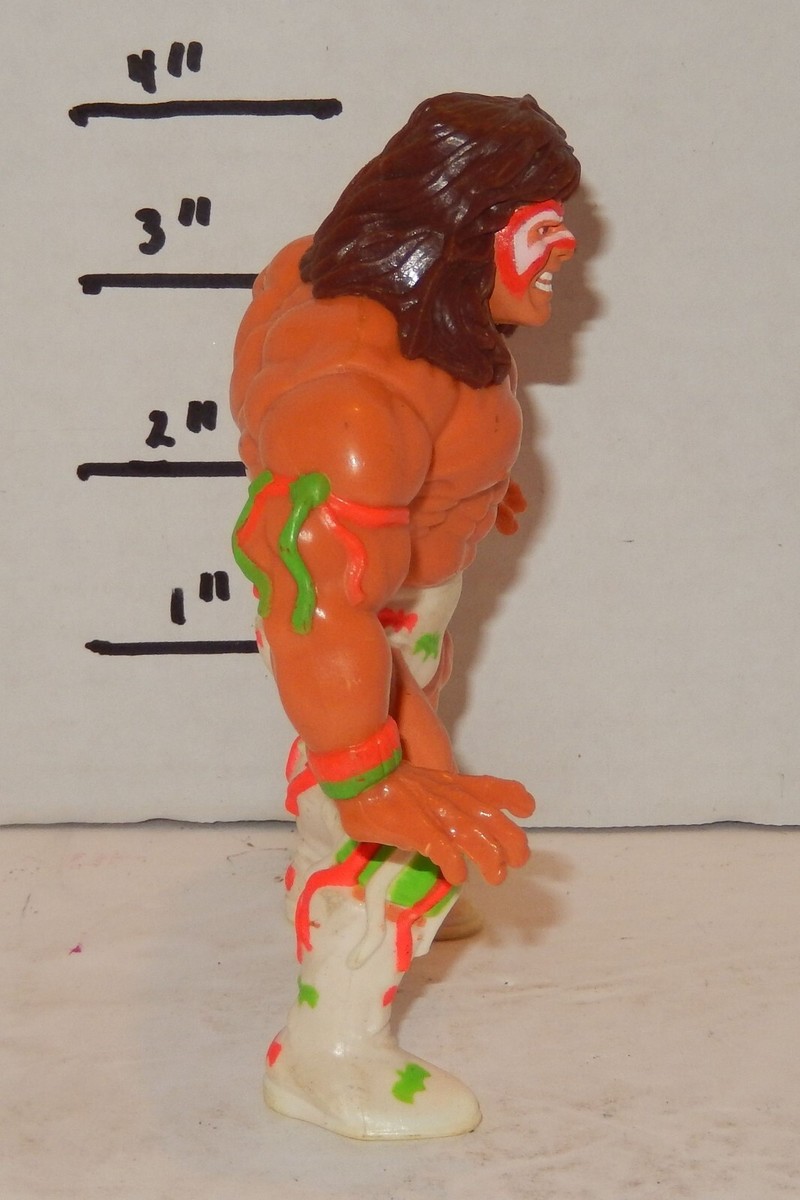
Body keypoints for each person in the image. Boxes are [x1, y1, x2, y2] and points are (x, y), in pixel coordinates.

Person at [231, 92, 579, 1139]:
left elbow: (275, 407)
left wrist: (448, 489)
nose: (563, 247)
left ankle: (348, 862)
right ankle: (326, 1053)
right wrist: (366, 769)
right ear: (462, 228)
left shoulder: (351, 290)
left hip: (394, 597)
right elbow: (316, 596)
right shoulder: (356, 401)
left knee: (393, 758)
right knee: (396, 833)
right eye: (538, 224)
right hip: (349, 624)